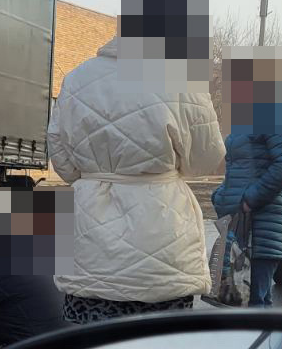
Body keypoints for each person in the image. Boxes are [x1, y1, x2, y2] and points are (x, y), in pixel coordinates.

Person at [47, 37, 226, 323]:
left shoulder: (76, 80)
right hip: (163, 239)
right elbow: (206, 159)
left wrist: (97, 173)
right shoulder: (183, 82)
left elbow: (63, 163)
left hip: (89, 238)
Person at [210, 102, 282, 307]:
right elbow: (242, 169)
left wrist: (250, 200)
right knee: (239, 302)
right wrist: (220, 196)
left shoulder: (276, 114)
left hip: (260, 226)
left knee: (253, 306)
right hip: (242, 224)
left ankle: (258, 339)